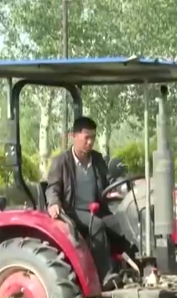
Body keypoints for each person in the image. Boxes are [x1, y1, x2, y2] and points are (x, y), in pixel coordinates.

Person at [45, 116, 117, 286]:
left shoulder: (97, 159)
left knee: (121, 222)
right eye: (86, 138)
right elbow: (52, 187)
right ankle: (105, 275)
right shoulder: (61, 162)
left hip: (97, 209)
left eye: (93, 137)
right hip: (73, 211)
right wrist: (54, 203)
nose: (90, 142)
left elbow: (108, 181)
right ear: (73, 136)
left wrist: (118, 189)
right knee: (97, 225)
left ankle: (134, 269)